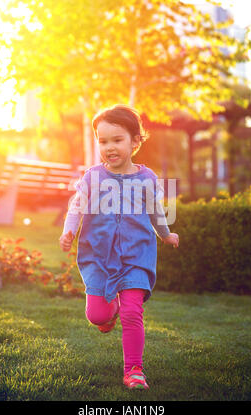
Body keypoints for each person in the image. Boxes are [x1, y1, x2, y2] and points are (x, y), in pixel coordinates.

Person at [59, 104, 179, 390]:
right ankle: (107, 311)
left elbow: (156, 212)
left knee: (132, 312)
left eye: (117, 140)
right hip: (99, 256)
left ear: (135, 142)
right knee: (97, 315)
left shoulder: (147, 179)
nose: (109, 147)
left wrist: (165, 234)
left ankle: (134, 370)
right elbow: (76, 208)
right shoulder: (93, 177)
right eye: (103, 141)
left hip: (137, 255)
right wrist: (69, 231)